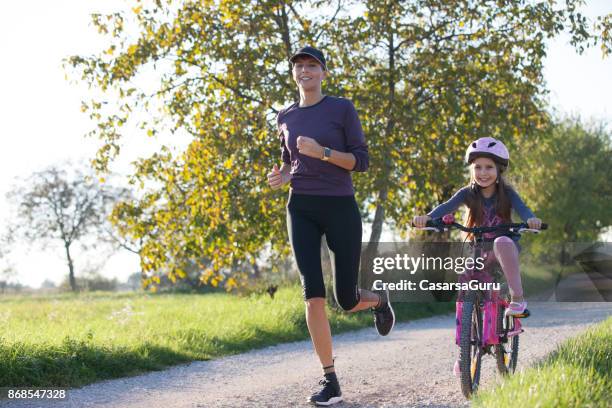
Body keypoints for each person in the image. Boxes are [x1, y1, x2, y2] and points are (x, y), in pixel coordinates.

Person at [267, 46, 395, 406]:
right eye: (299, 66)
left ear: (323, 72)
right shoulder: (285, 116)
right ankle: (330, 380)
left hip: (340, 206)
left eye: (312, 66)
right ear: (293, 73)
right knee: (313, 294)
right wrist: (283, 176)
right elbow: (290, 162)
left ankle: (378, 300)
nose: (305, 71)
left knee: (346, 298)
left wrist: (322, 152)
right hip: (301, 207)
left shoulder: (342, 108)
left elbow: (361, 161)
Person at [412, 137, 542, 375]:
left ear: (499, 170)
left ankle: (518, 298)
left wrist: (531, 219)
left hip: (503, 250)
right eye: (478, 167)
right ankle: (465, 352)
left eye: (489, 167)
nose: (483, 173)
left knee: (502, 241)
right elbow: (445, 207)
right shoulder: (467, 193)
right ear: (471, 169)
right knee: (466, 290)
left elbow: (524, 210)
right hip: (478, 248)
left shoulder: (508, 193)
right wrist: (428, 218)